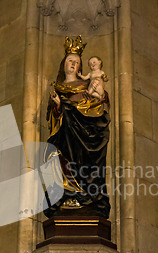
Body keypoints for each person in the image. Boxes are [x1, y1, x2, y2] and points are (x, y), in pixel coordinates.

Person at [44, 36, 110, 218]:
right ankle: (67, 195)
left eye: (76, 62)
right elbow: (52, 119)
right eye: (70, 61)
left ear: (80, 67)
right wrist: (58, 105)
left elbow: (99, 103)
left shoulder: (86, 85)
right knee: (55, 158)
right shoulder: (57, 87)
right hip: (64, 135)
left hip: (84, 133)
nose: (73, 64)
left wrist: (97, 99)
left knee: (85, 164)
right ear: (63, 64)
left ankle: (84, 196)